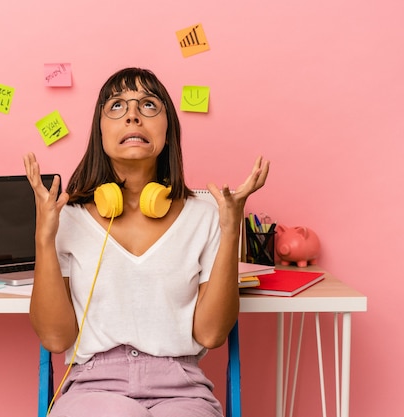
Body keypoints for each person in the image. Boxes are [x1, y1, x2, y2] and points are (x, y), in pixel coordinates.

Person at [23, 67, 269, 417]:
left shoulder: (207, 215)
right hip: (94, 387)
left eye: (149, 105)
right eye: (117, 106)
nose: (134, 115)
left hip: (183, 390)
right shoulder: (67, 217)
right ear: (101, 132)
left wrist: (231, 231)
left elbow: (212, 335)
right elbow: (55, 339)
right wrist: (44, 238)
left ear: (168, 133)